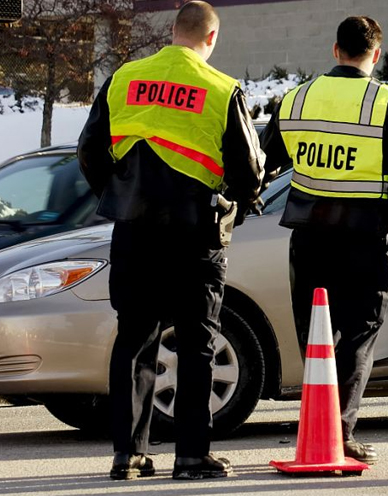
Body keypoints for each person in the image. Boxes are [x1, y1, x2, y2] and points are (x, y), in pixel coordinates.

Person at [78, 1, 264, 480]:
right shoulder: (221, 88)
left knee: (135, 340)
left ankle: (128, 454)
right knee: (197, 341)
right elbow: (249, 169)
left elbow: (89, 150)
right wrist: (238, 204)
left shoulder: (125, 78)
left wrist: (117, 194)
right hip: (194, 234)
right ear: (211, 37)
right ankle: (190, 455)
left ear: (172, 31)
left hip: (134, 231)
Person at [260, 16, 388, 464]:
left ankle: (318, 424)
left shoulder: (296, 99)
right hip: (362, 238)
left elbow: (261, 162)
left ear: (335, 50)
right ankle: (338, 430)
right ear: (375, 55)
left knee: (316, 334)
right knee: (359, 333)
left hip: (308, 236)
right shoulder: (384, 103)